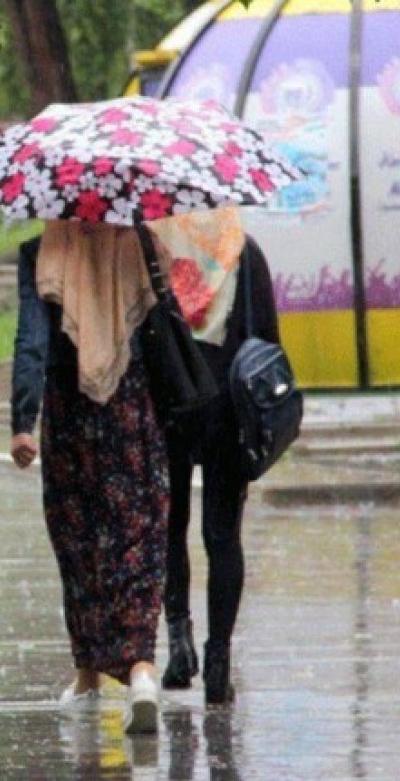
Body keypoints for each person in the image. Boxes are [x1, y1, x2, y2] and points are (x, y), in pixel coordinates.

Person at [9, 220, 169, 735]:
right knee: (137, 538)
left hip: (69, 415)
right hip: (132, 410)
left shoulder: (41, 252)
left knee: (79, 543)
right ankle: (142, 672)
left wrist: (22, 420)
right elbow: (164, 328)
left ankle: (88, 679)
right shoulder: (141, 244)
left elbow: (31, 340)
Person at [150, 210, 281, 706]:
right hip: (228, 409)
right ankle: (219, 660)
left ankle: (179, 644)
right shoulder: (244, 251)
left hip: (168, 404)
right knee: (223, 535)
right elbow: (267, 342)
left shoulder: (154, 250)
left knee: (170, 529)